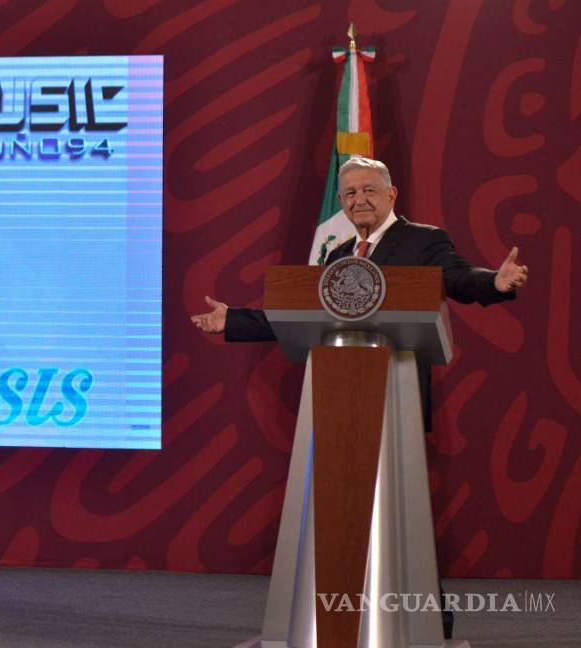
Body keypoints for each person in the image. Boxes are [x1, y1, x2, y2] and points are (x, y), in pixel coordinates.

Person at [191, 155, 529, 640]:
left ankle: (425, 625)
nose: (358, 200)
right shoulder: (339, 256)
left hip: (396, 398)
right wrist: (235, 320)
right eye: (349, 193)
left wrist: (493, 282)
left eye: (368, 190)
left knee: (398, 513)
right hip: (337, 399)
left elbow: (457, 277)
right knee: (341, 513)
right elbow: (307, 312)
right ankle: (333, 623)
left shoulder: (423, 240)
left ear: (391, 195)